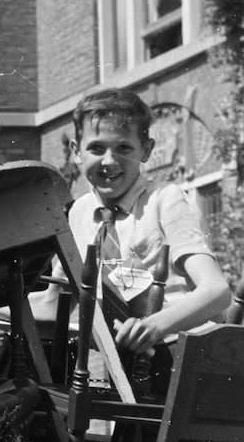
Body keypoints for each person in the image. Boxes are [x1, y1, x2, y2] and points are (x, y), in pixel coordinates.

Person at [63, 87, 230, 356]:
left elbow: (217, 291)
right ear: (76, 150)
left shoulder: (165, 199)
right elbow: (55, 302)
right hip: (119, 359)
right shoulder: (78, 213)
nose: (109, 161)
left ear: (147, 150)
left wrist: (155, 326)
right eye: (96, 148)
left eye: (123, 148)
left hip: (181, 348)